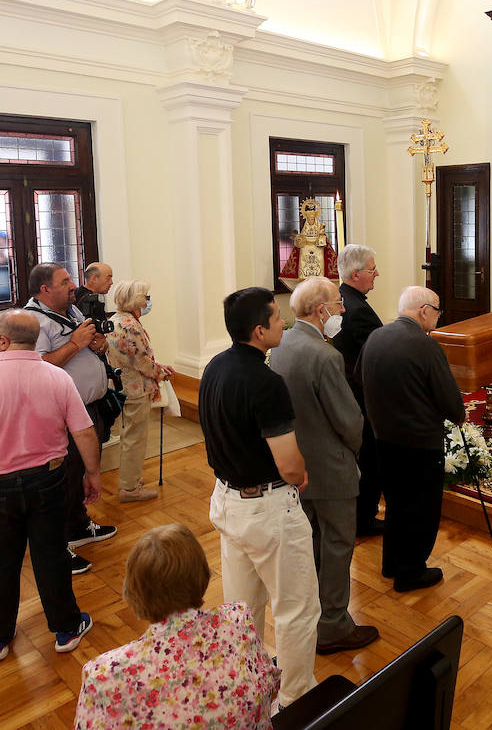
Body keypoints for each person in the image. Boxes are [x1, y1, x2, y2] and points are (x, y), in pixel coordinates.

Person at [0, 309, 99, 663]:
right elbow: (85, 433)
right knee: (52, 555)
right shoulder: (58, 379)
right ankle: (66, 628)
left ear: (1, 341)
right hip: (50, 480)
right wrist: (92, 473)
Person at [199, 286, 319, 708]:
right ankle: (296, 700)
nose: (282, 322)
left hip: (228, 500)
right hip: (267, 510)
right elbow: (288, 465)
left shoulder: (214, 366)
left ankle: (247, 687)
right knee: (296, 609)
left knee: (241, 607)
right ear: (258, 330)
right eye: (275, 317)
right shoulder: (266, 382)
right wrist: (301, 473)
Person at [73, 524, 280, 729]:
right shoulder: (238, 622)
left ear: (134, 592)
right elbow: (270, 686)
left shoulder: (103, 676)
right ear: (202, 575)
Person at [269, 277, 381, 655]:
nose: (343, 309)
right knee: (336, 546)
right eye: (338, 303)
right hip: (331, 469)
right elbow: (350, 422)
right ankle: (333, 625)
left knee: (312, 543)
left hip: (298, 466)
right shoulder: (326, 355)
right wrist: (353, 452)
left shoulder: (282, 343)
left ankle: (312, 614)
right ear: (321, 310)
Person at [358, 286, 465, 593]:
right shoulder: (425, 345)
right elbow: (450, 402)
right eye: (437, 311)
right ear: (423, 310)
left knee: (395, 504)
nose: (438, 317)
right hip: (419, 443)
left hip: (383, 440)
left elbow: (358, 378)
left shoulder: (376, 336)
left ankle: (392, 563)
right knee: (421, 509)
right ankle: (411, 572)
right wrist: (458, 414)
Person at [24, 262, 116, 575]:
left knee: (81, 469)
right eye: (65, 281)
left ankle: (78, 525)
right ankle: (59, 542)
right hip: (59, 413)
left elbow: (91, 348)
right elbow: (37, 367)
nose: (74, 285)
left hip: (89, 406)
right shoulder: (31, 322)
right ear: (45, 289)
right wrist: (76, 343)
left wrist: (98, 345)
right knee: (63, 475)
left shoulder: (73, 311)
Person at [331, 244, 385, 536]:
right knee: (370, 461)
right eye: (372, 269)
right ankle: (364, 519)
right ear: (355, 274)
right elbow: (373, 355)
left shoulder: (343, 300)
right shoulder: (356, 308)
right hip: (362, 395)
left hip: (349, 390)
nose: (377, 273)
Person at [104, 279, 175, 502]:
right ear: (135, 300)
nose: (148, 301)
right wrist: (160, 372)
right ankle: (129, 488)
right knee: (134, 439)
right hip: (134, 389)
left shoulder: (116, 320)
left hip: (124, 386)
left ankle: (130, 479)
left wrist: (157, 367)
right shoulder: (129, 326)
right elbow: (140, 361)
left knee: (130, 436)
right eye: (146, 297)